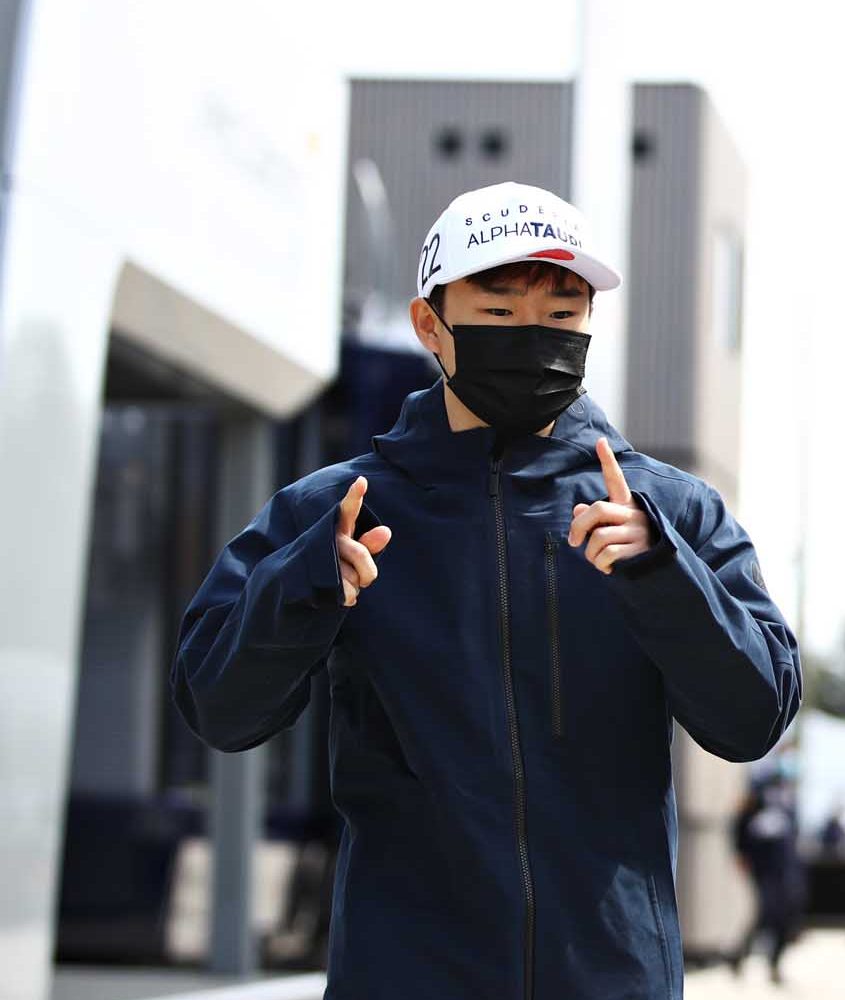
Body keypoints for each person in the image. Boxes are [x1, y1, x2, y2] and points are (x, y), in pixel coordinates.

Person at [171, 181, 802, 999]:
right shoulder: (335, 510)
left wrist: (664, 575)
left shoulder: (666, 512)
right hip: (404, 976)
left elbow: (755, 717)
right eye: (500, 315)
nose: (535, 337)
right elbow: (217, 708)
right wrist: (305, 586)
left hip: (612, 976)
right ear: (429, 325)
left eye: (562, 315)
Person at [729, 775, 807, 985]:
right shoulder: (757, 793)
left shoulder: (789, 800)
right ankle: (739, 956)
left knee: (786, 916)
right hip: (763, 869)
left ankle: (775, 964)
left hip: (785, 868)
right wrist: (741, 855)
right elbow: (739, 827)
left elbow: (793, 834)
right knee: (766, 914)